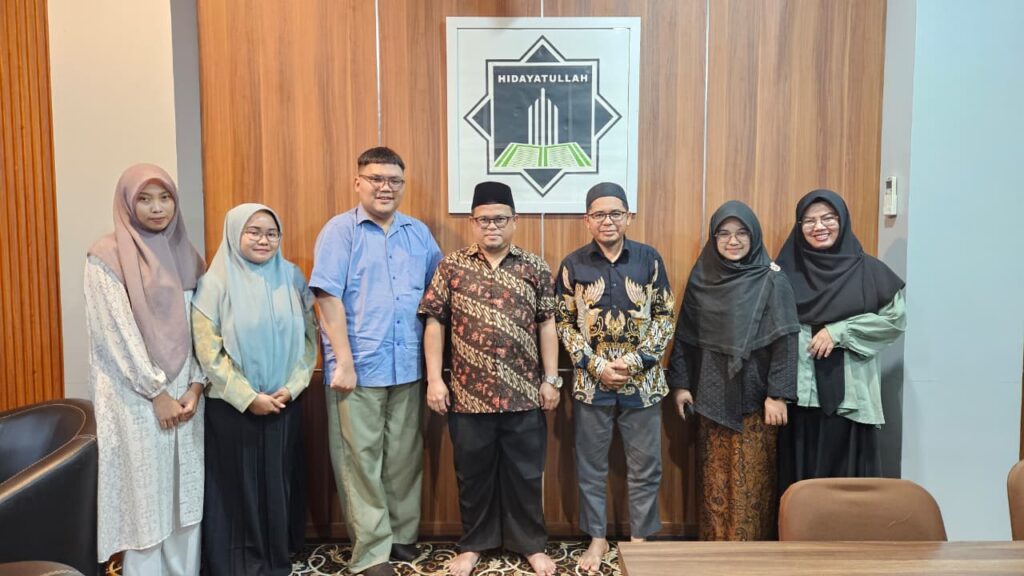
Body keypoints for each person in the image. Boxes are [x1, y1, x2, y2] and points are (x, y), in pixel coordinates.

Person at [310, 147, 443, 576]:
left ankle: (401, 535)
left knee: (404, 456)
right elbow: (327, 297)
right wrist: (343, 361)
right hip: (358, 369)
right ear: (358, 183)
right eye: (376, 179)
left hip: (408, 365)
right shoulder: (340, 231)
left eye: (394, 181)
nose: (385, 187)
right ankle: (371, 551)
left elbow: (437, 297)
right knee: (359, 462)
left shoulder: (418, 234)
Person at [419, 181, 560, 576]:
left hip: (524, 394)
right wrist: (435, 380)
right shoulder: (452, 266)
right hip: (468, 395)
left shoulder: (534, 267)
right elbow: (435, 323)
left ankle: (531, 545)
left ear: (515, 221)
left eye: (500, 219)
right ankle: (474, 544)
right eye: (484, 220)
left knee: (526, 475)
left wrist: (551, 379)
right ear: (472, 222)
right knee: (473, 475)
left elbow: (547, 324)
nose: (491, 226)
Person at [85, 164, 206, 575]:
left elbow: (202, 326)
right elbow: (115, 333)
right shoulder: (106, 256)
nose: (157, 208)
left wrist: (195, 385)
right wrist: (157, 393)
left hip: (187, 397)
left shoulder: (188, 255)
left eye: (165, 197)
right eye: (145, 199)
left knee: (184, 496)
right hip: (136, 400)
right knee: (145, 499)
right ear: (127, 203)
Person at [554, 182, 675, 573]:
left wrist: (634, 362)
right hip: (592, 385)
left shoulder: (649, 259)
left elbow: (665, 317)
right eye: (599, 214)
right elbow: (563, 323)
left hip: (643, 383)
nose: (608, 221)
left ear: (629, 216)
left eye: (615, 213)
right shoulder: (573, 265)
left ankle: (640, 539)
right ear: (587, 220)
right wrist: (597, 366)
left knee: (645, 467)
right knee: (591, 467)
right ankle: (597, 537)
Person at [192, 203, 317, 575]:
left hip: (283, 402)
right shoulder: (214, 282)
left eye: (271, 233)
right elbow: (208, 351)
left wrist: (292, 387)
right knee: (239, 487)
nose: (264, 240)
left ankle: (277, 556)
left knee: (278, 481)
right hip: (232, 406)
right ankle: (238, 563)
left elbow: (310, 340)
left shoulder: (292, 277)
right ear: (234, 234)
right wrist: (248, 398)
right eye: (254, 232)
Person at [667, 200, 799, 540]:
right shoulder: (702, 277)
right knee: (714, 480)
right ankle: (713, 553)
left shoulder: (773, 281)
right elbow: (685, 336)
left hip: (756, 400)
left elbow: (786, 341)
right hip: (709, 394)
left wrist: (778, 394)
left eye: (742, 233)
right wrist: (680, 385)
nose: (733, 240)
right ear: (714, 238)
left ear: (753, 236)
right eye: (723, 233)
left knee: (751, 484)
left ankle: (749, 557)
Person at [775, 189, 906, 494]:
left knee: (849, 493)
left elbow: (895, 320)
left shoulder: (870, 271)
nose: (819, 226)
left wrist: (840, 331)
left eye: (828, 218)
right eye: (809, 220)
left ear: (842, 221)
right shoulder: (783, 274)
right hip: (799, 402)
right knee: (801, 491)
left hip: (851, 403)